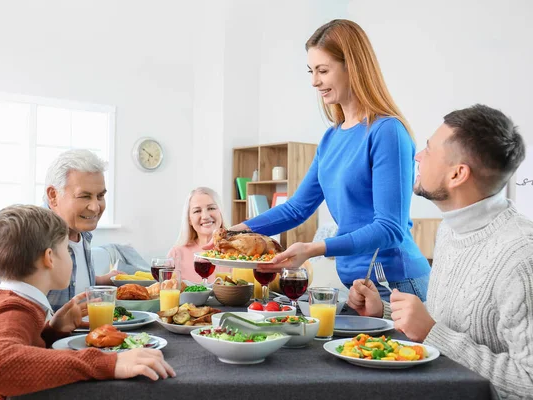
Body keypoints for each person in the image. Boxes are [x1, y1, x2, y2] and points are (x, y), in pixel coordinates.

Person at [224, 19, 430, 301]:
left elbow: (389, 228)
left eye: (323, 70)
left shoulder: (387, 131)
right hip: (356, 285)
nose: (314, 81)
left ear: (353, 67)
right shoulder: (331, 138)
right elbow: (297, 208)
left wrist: (313, 248)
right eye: (311, 71)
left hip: (395, 282)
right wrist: (234, 232)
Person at [347, 104, 532, 399]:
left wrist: (433, 332)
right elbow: (449, 322)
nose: (418, 156)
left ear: (458, 174)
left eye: (429, 150)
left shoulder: (522, 256)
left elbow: (528, 382)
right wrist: (384, 312)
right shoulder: (450, 230)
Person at [0, 205, 175, 399]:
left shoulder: (0, 300)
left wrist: (50, 332)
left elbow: (14, 345)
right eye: (67, 250)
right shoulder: (12, 310)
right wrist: (109, 363)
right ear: (50, 258)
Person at [0, 149, 122, 323]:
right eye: (84, 196)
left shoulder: (82, 230)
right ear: (53, 195)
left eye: (100, 196)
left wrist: (98, 281)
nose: (95, 207)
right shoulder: (23, 235)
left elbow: (64, 281)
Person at [168, 187, 228, 282]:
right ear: (189, 219)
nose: (205, 216)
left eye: (211, 208)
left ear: (220, 213)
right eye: (197, 211)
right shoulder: (176, 254)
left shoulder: (238, 253)